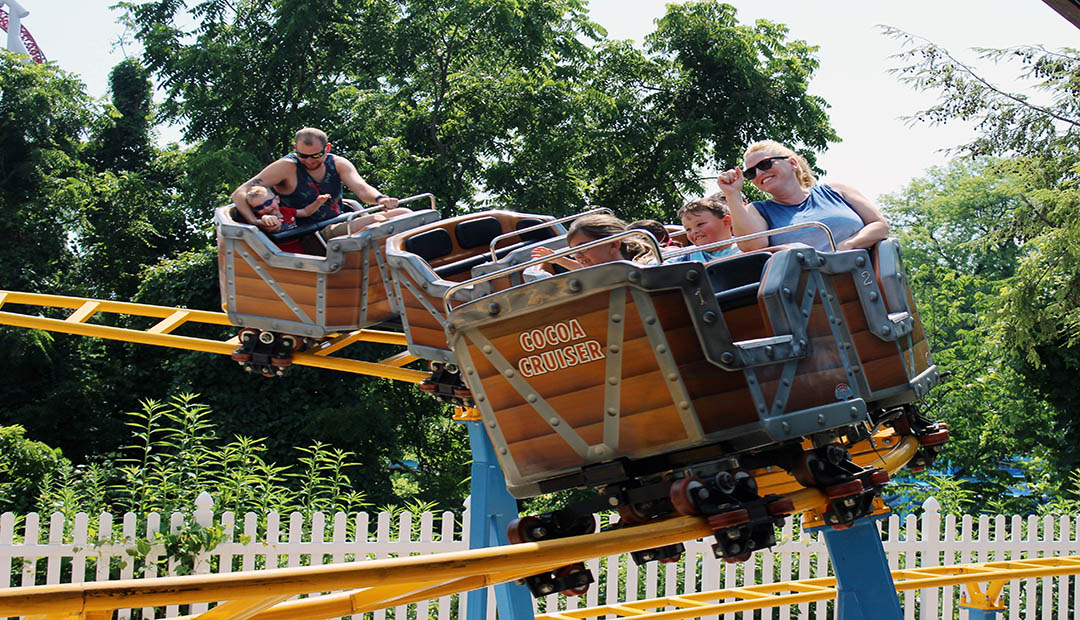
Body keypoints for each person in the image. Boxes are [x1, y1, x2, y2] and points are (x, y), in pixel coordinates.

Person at [230, 128, 410, 250]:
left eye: (316, 155)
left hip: (338, 222)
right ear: (295, 150)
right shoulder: (287, 167)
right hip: (311, 235)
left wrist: (381, 199)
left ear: (327, 148)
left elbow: (362, 189)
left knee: (404, 212)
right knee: (378, 220)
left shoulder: (338, 163)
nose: (309, 161)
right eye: (303, 156)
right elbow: (240, 193)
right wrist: (254, 221)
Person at [715, 140, 889, 252]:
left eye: (765, 164)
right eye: (751, 173)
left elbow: (879, 225)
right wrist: (732, 194)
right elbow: (751, 246)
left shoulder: (837, 190)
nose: (760, 173)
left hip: (865, 278)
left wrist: (848, 245)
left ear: (792, 163)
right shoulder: (757, 210)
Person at [529, 214, 655, 275]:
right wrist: (560, 260)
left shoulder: (643, 270)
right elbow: (584, 268)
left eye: (583, 248)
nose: (577, 256)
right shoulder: (599, 274)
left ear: (613, 245)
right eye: (573, 251)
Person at [663, 194, 741, 264]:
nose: (694, 231)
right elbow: (657, 268)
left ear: (726, 222)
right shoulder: (688, 256)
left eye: (700, 224)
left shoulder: (745, 246)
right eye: (688, 229)